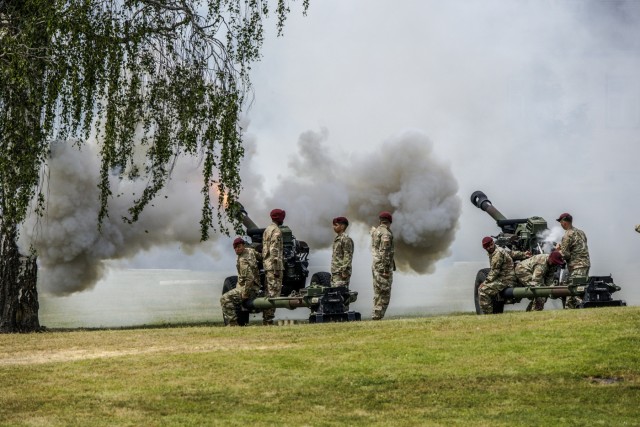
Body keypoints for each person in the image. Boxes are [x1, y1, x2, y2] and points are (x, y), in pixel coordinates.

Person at [220, 237, 260, 326]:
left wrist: (245, 293)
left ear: (243, 246)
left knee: (224, 298)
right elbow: (261, 257)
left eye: (239, 246)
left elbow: (249, 278)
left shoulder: (242, 260)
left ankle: (233, 324)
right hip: (255, 287)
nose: (237, 249)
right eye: (235, 248)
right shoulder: (251, 251)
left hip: (248, 289)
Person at [555, 212, 590, 309]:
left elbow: (566, 255)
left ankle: (577, 310)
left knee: (574, 292)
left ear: (564, 222)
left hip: (576, 266)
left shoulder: (567, 235)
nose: (560, 225)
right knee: (581, 289)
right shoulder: (581, 232)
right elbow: (578, 247)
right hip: (585, 264)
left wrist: (558, 250)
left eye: (560, 222)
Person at [477, 236, 519, 314]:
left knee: (483, 290)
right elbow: (512, 254)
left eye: (491, 245)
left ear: (493, 243)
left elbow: (494, 271)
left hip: (506, 280)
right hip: (504, 278)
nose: (490, 248)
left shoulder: (497, 253)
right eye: (487, 247)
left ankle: (489, 315)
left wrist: (485, 283)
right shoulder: (496, 251)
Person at [262, 208, 285, 325]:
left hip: (267, 265)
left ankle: (267, 319)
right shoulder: (276, 231)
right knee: (274, 294)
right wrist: (276, 268)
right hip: (274, 266)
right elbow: (274, 250)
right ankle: (268, 320)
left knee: (268, 292)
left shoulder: (267, 229)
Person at [371, 211, 395, 320]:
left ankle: (376, 315)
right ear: (389, 222)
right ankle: (377, 316)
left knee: (378, 291)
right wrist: (386, 268)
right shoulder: (386, 234)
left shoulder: (375, 231)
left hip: (376, 265)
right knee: (384, 293)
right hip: (382, 267)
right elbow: (385, 251)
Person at [331, 216, 354, 287]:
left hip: (341, 273)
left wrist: (345, 271)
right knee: (335, 294)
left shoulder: (345, 239)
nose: (333, 227)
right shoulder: (338, 238)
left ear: (342, 226)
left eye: (336, 225)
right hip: (336, 272)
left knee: (340, 294)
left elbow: (348, 256)